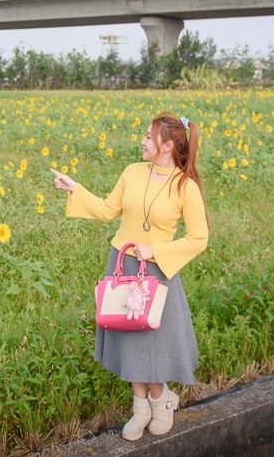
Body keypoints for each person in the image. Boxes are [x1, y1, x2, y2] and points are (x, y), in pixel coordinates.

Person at [50, 111, 210, 441]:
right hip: (122, 265)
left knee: (151, 342)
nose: (142, 140)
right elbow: (108, 209)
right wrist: (76, 189)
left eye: (148, 136)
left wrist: (157, 252)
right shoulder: (133, 172)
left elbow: (199, 237)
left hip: (157, 270)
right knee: (130, 339)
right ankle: (141, 408)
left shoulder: (185, 185)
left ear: (167, 145)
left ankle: (161, 401)